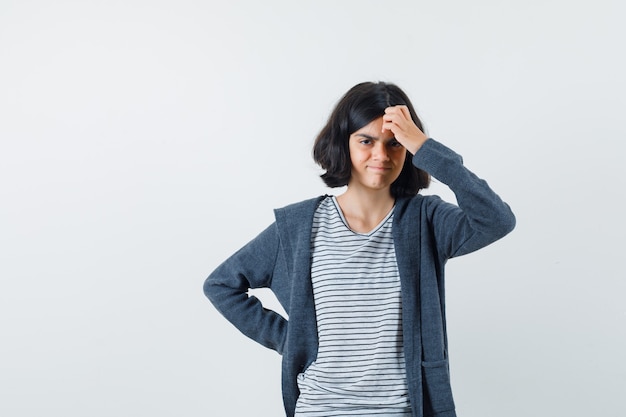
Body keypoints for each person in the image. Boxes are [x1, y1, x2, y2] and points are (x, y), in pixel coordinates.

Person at [203, 81, 515, 417]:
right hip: (320, 408)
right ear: (344, 144)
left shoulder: (427, 221)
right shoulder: (297, 228)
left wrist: (426, 148)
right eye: (366, 141)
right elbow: (221, 285)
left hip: (401, 410)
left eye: (395, 143)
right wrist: (291, 339)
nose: (381, 156)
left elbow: (496, 220)